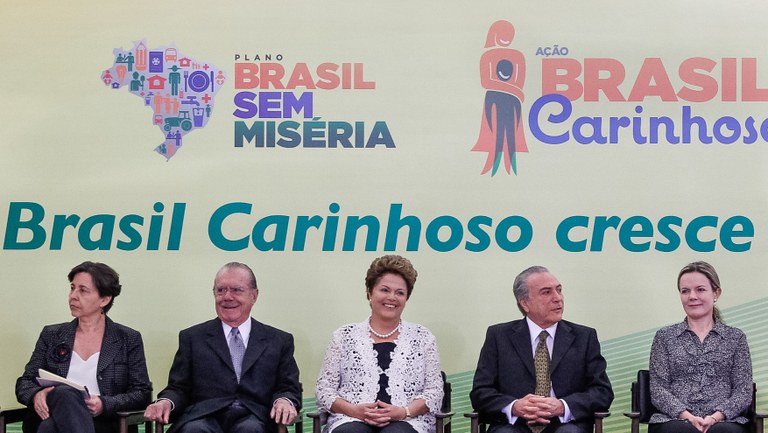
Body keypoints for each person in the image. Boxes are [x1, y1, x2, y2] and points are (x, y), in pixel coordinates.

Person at [144, 262, 301, 433]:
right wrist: (166, 402)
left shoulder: (278, 340)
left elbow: (287, 387)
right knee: (193, 430)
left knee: (251, 430)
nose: (227, 296)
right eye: (221, 290)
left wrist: (284, 401)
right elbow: (178, 387)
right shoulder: (192, 337)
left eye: (236, 290)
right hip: (203, 416)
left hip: (255, 416)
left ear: (254, 296)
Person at [470, 266, 613, 433]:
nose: (558, 298)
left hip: (565, 423)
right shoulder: (498, 336)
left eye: (559, 290)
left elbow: (602, 392)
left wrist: (562, 406)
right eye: (546, 292)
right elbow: (480, 392)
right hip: (514, 425)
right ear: (525, 303)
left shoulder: (584, 337)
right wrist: (515, 407)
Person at [15, 261, 152, 433]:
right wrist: (36, 395)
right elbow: (25, 382)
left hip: (102, 423)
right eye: (72, 288)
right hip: (50, 413)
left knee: (50, 428)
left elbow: (142, 393)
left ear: (105, 299)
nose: (73, 296)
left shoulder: (128, 338)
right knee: (64, 394)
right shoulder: (52, 334)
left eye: (83, 290)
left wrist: (104, 404)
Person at [315, 255, 443, 433]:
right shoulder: (343, 336)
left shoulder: (423, 337)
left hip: (407, 421)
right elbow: (324, 390)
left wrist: (403, 412)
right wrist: (355, 411)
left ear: (406, 298)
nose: (392, 297)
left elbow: (435, 391)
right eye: (384, 290)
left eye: (400, 293)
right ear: (369, 292)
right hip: (350, 419)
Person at [648, 261, 752, 433]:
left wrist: (715, 417)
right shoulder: (664, 337)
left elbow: (743, 391)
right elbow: (658, 390)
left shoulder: (736, 338)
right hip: (674, 420)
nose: (692, 296)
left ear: (716, 293)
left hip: (725, 421)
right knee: (678, 431)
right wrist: (687, 416)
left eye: (700, 289)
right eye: (685, 291)